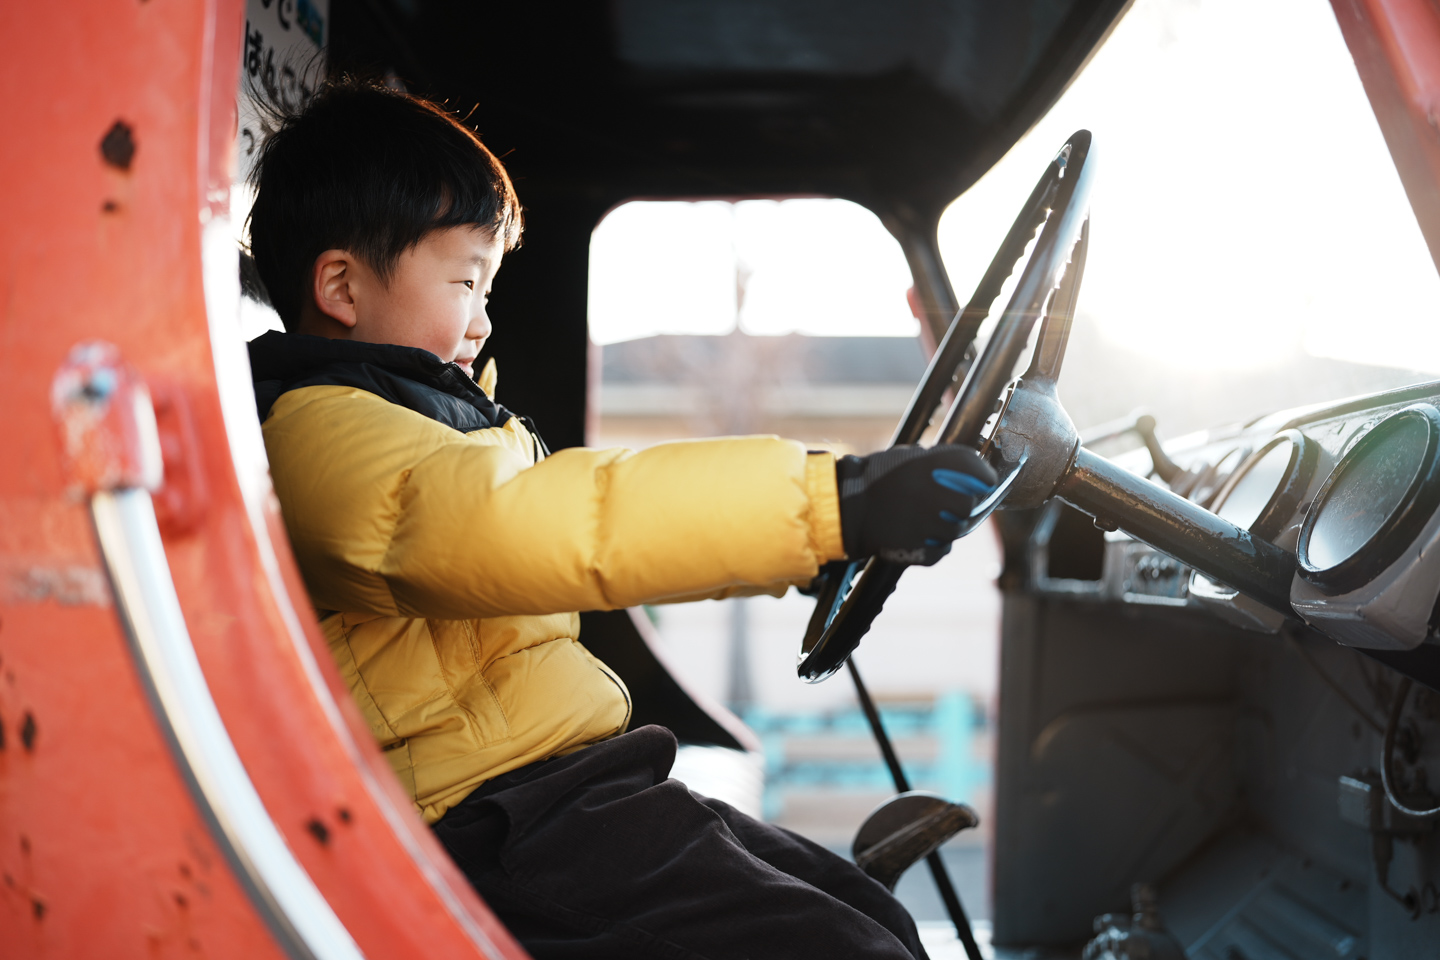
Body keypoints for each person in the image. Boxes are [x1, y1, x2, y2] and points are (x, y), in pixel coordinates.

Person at [245, 77, 996, 960]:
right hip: (481, 823)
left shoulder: (423, 421)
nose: (482, 324)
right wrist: (828, 506)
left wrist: (816, 539)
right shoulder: (320, 436)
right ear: (341, 285)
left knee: (877, 924)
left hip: (556, 789)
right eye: (465, 282)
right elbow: (568, 525)